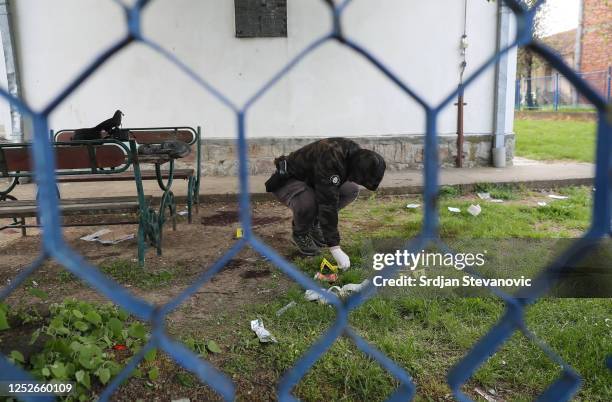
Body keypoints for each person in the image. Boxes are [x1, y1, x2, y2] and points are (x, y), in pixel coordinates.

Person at [265, 138, 386, 270]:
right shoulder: (332, 159)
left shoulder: (354, 154)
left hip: (313, 179)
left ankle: (314, 223)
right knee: (308, 203)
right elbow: (328, 204)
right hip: (288, 180)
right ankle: (300, 233)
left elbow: (330, 193)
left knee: (350, 190)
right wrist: (335, 248)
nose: (357, 180)